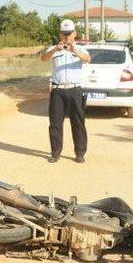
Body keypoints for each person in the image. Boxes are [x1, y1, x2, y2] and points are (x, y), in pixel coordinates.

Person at [40, 19, 91, 163]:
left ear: (74, 34)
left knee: (78, 122)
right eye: (64, 34)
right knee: (55, 123)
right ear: (60, 34)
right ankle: (55, 153)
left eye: (69, 34)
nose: (67, 37)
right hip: (58, 90)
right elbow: (43, 58)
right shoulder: (54, 48)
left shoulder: (80, 49)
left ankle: (80, 153)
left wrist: (74, 50)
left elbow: (87, 59)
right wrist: (56, 49)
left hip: (75, 89)